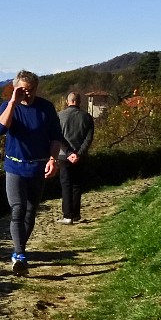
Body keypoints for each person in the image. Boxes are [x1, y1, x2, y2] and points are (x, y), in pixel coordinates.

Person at [0, 70, 71, 276]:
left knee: (30, 212)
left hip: (38, 167)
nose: (27, 94)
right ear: (15, 88)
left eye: (31, 90)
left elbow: (55, 137)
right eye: (23, 90)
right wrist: (12, 103)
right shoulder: (8, 107)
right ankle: (19, 256)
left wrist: (53, 160)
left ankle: (19, 250)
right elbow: (0, 130)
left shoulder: (46, 108)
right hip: (15, 167)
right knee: (17, 209)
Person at [56, 92, 94, 224]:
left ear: (67, 101)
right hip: (80, 156)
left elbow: (58, 137)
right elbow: (89, 138)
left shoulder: (60, 116)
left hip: (63, 156)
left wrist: (68, 152)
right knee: (77, 185)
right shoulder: (87, 117)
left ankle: (67, 215)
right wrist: (79, 153)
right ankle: (76, 214)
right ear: (79, 102)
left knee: (66, 185)